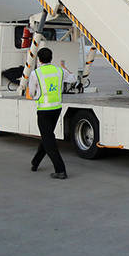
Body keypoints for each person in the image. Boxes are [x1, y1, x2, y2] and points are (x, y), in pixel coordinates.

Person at [29, 48, 76, 179]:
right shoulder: (59, 70)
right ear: (51, 58)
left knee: (48, 140)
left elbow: (31, 93)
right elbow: (73, 79)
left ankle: (60, 170)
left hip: (44, 110)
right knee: (47, 136)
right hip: (57, 109)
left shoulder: (35, 73)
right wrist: (65, 68)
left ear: (39, 59)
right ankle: (35, 162)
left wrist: (37, 94)